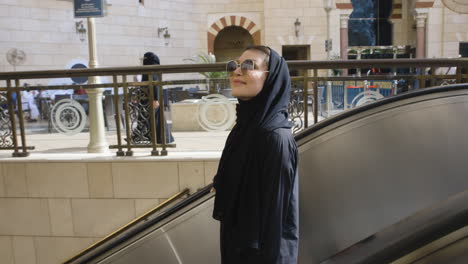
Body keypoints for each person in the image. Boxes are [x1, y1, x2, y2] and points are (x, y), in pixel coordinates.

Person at [212, 46, 299, 264]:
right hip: (239, 249)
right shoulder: (244, 129)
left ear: (272, 79)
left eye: (250, 65)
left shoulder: (274, 138)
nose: (237, 71)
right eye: (234, 65)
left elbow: (275, 225)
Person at [133, 52, 174, 144]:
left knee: (150, 119)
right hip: (149, 98)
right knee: (151, 118)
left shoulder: (150, 69)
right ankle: (142, 137)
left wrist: (155, 99)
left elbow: (154, 84)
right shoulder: (152, 69)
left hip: (149, 99)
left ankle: (155, 138)